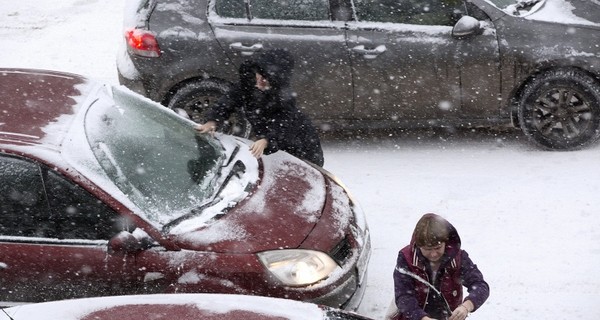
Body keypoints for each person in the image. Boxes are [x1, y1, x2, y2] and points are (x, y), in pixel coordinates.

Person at [196, 48, 324, 166]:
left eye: (267, 79)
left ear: (277, 80)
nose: (261, 81)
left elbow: (283, 124)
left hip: (301, 146)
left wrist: (267, 139)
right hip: (276, 145)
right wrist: (212, 120)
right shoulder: (247, 85)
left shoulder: (284, 98)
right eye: (260, 75)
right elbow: (228, 101)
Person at [388, 213, 489, 320]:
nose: (433, 254)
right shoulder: (406, 259)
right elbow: (404, 296)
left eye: (438, 248)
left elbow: (480, 285)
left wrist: (466, 307)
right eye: (427, 249)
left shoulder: (458, 258)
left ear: (446, 242)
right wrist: (421, 317)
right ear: (418, 245)